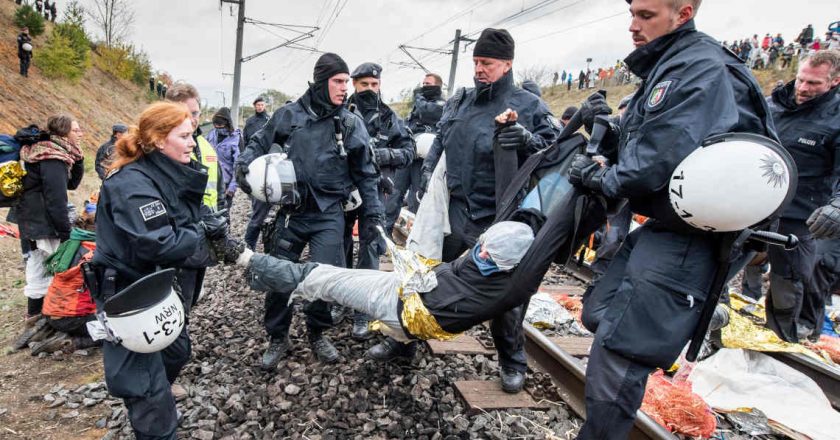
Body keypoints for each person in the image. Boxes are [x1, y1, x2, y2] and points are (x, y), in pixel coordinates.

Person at [568, 0, 775, 437]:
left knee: (621, 350)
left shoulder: (699, 67)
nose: (633, 27)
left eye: (646, 16)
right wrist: (615, 135)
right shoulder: (672, 62)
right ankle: (695, 314)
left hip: (697, 233)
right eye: (632, 14)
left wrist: (603, 178)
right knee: (598, 311)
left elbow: (656, 158)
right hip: (669, 221)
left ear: (682, 13)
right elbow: (658, 138)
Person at [378, 28, 559, 394]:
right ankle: (402, 339)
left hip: (500, 219)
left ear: (506, 64)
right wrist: (427, 178)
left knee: (506, 297)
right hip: (455, 212)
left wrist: (525, 139)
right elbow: (441, 141)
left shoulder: (530, 106)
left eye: (487, 63)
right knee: (422, 275)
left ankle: (512, 362)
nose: (479, 69)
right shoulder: (460, 101)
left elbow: (553, 155)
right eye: (476, 62)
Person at [236, 53, 384, 368]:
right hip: (292, 210)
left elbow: (367, 174)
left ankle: (317, 332)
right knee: (278, 275)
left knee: (324, 277)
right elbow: (260, 142)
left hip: (330, 213)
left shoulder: (349, 122)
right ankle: (278, 336)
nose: (345, 88)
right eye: (339, 81)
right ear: (321, 81)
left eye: (346, 81)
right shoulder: (289, 115)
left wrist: (374, 217)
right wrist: (244, 164)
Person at [92, 102, 227, 440]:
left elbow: (181, 219)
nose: (193, 142)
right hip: (129, 293)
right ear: (156, 139)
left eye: (192, 134)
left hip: (157, 284)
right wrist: (199, 231)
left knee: (177, 351)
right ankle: (150, 410)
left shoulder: (164, 171)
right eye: (184, 136)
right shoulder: (132, 184)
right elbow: (161, 243)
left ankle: (153, 395)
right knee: (148, 391)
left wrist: (203, 223)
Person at [764, 50, 840, 342]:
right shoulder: (773, 104)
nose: (804, 88)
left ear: (834, 82)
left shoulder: (836, 118)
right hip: (754, 205)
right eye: (801, 80)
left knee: (791, 284)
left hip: (800, 216)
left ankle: (789, 339)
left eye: (814, 84)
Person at [344, 62, 414, 339]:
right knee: (341, 246)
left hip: (377, 193)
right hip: (344, 192)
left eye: (374, 85)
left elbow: (408, 152)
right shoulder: (342, 112)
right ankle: (341, 299)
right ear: (354, 84)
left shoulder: (390, 118)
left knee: (371, 249)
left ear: (380, 85)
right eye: (364, 85)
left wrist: (383, 156)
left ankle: (362, 310)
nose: (369, 90)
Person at [16, 115, 85, 321]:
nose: (80, 134)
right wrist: (66, 233)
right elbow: (56, 199)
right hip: (42, 218)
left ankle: (37, 312)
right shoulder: (52, 157)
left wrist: (79, 159)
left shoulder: (51, 151)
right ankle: (58, 312)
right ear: (63, 133)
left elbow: (70, 184)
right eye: (76, 130)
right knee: (61, 262)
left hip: (31, 215)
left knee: (38, 260)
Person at [166, 83, 225, 212]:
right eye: (185, 114)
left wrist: (223, 219)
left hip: (212, 226)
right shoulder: (164, 149)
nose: (192, 119)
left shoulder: (207, 147)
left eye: (195, 113)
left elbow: (219, 192)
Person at [395, 73, 446, 217]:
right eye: (423, 84)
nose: (424, 87)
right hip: (409, 153)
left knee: (417, 195)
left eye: (428, 84)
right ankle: (387, 229)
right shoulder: (419, 105)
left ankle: (414, 231)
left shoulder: (442, 105)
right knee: (396, 191)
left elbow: (427, 112)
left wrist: (418, 97)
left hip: (424, 159)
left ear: (438, 86)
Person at [242, 97, 272, 250]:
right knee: (258, 214)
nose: (260, 107)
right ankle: (248, 247)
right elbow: (246, 143)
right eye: (258, 105)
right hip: (256, 167)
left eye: (262, 104)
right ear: (254, 106)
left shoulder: (270, 120)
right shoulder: (250, 122)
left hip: (271, 167)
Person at [206, 107, 242, 211]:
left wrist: (232, 186)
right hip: (210, 180)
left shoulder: (236, 139)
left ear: (227, 124)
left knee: (223, 213)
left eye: (220, 126)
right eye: (215, 125)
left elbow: (239, 165)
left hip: (226, 183)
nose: (217, 128)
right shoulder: (211, 135)